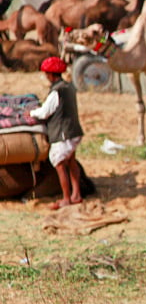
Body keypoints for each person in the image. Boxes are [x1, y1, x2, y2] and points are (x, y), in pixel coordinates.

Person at [29, 57, 85, 210]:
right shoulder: (69, 87)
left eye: (47, 74)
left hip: (62, 134)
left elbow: (46, 112)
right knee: (71, 162)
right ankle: (76, 194)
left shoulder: (56, 91)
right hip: (74, 131)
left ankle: (66, 198)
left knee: (59, 164)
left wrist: (32, 113)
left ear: (50, 75)